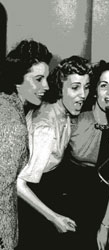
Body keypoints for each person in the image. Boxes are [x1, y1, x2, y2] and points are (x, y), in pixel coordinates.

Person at [16, 55, 92, 250]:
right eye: (75, 87)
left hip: (46, 189)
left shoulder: (63, 112)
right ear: (60, 87)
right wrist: (53, 218)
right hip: (29, 203)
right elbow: (18, 183)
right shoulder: (46, 129)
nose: (83, 94)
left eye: (86, 86)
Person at [60, 60, 109, 249]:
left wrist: (105, 225)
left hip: (106, 206)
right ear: (95, 90)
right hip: (69, 202)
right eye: (104, 86)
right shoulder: (75, 120)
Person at [0, 39, 52, 250]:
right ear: (17, 79)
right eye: (38, 79)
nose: (46, 86)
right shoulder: (13, 124)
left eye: (46, 78)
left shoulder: (5, 104)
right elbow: (2, 190)